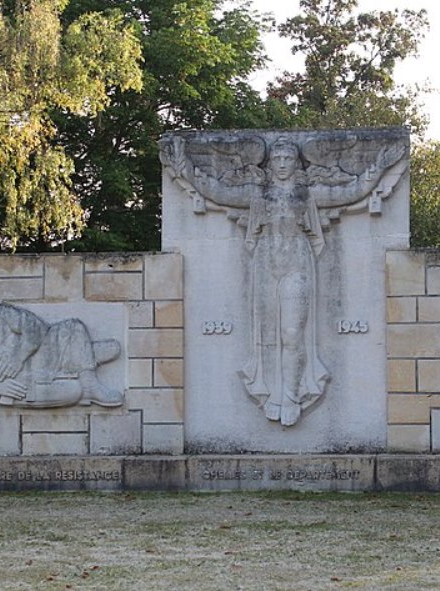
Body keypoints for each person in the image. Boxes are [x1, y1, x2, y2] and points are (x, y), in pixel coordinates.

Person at [162, 134, 405, 426]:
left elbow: (353, 191)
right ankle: (272, 395)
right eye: (276, 159)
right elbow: (217, 191)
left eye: (288, 159)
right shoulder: (257, 195)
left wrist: (380, 166)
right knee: (267, 335)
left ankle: (291, 396)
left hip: (297, 266)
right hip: (265, 266)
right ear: (269, 163)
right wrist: (184, 167)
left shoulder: (308, 194)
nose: (281, 164)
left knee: (292, 334)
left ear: (296, 162)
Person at [0, 303, 122, 411]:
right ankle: (83, 355)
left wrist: (17, 356)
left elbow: (37, 328)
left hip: (47, 348)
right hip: (30, 379)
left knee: (75, 327)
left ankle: (89, 380)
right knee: (74, 390)